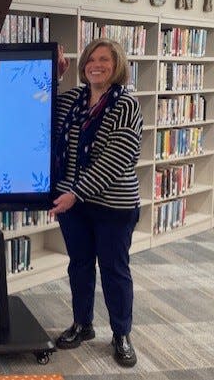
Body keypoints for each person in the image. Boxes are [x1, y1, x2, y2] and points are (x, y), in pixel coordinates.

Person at [50, 38, 142, 368]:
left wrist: (74, 193)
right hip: (75, 205)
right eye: (91, 59)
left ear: (117, 65)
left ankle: (121, 333)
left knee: (114, 269)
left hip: (113, 204)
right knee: (80, 264)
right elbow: (42, 108)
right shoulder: (74, 100)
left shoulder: (125, 106)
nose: (96, 64)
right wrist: (55, 76)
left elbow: (114, 160)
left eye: (104, 59)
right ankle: (83, 324)